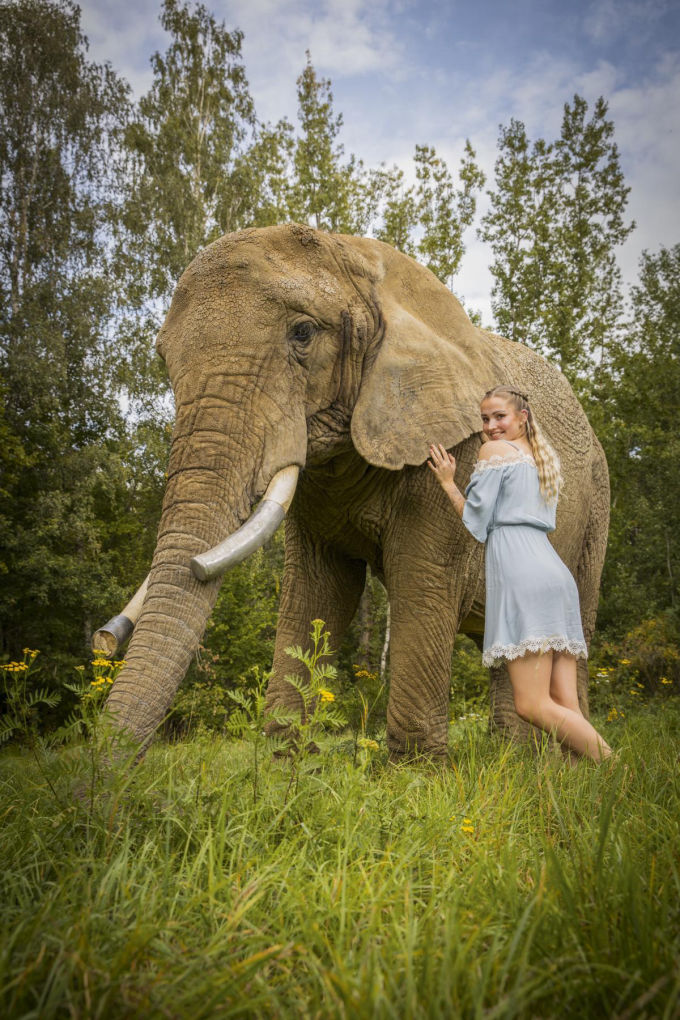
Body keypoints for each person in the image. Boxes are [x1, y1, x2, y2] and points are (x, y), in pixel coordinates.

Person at [428, 385, 612, 763]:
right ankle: (597, 786)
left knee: (530, 704)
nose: (491, 426)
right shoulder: (541, 458)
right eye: (485, 419)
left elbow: (476, 521)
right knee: (565, 703)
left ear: (522, 417)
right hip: (555, 576)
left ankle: (616, 766)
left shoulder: (494, 453)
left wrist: (448, 482)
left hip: (523, 575)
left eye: (500, 416)